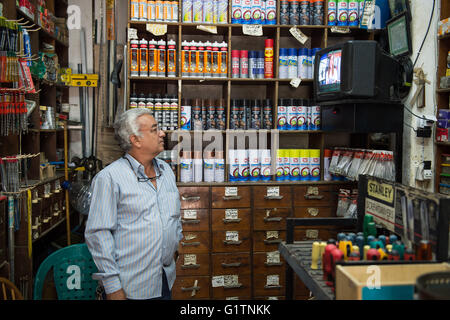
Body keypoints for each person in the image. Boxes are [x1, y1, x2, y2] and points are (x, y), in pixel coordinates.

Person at [85, 108, 182, 300]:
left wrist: (176, 244)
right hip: (130, 287)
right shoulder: (110, 178)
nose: (162, 133)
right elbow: (98, 234)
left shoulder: (166, 171)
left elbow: (174, 216)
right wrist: (113, 288)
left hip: (164, 278)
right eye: (154, 130)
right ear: (135, 140)